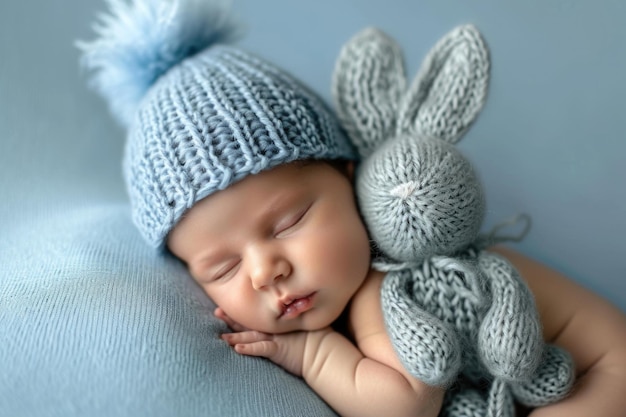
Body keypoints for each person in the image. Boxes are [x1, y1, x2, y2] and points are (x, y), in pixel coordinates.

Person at [80, 1, 626, 416]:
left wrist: (310, 354)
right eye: (220, 268)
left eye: (288, 222)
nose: (266, 269)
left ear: (347, 175)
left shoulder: (386, 287)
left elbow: (405, 403)